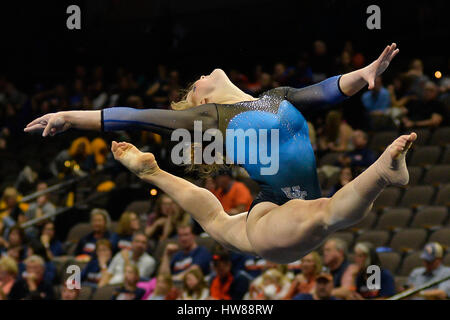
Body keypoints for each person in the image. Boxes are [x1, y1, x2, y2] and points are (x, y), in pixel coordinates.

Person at [27, 44, 417, 266]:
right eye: (195, 87)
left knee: (216, 219)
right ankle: (384, 172)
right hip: (274, 216)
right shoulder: (213, 116)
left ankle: (153, 173)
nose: (197, 80)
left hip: (279, 216)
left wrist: (365, 72)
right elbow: (136, 116)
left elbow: (325, 91)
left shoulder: (277, 97)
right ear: (204, 99)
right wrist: (68, 117)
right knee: (327, 214)